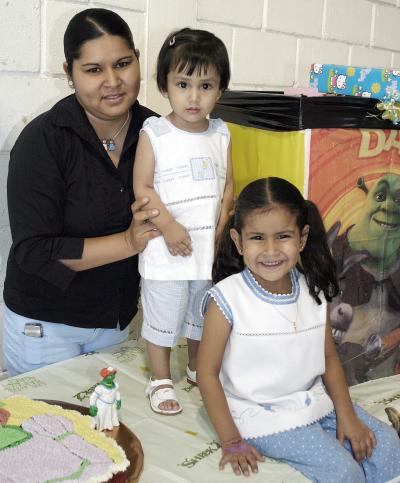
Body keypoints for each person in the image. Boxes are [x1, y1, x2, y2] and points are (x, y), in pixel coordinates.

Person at [197, 177, 400, 482]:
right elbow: (207, 374)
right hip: (261, 416)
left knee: (387, 449)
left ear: (302, 238)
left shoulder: (311, 289)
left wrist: (347, 414)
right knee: (342, 472)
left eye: (282, 236)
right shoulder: (226, 299)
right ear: (238, 241)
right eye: (257, 238)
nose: (270, 250)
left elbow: (329, 359)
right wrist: (231, 440)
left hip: (315, 403)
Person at [3, 8, 160, 376]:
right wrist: (129, 241)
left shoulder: (159, 134)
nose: (112, 81)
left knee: (110, 427)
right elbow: (34, 251)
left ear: (138, 60)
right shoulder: (43, 141)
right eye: (93, 69)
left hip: (116, 321)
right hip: (45, 326)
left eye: (122, 63)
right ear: (69, 73)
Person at [133, 28, 233, 415]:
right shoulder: (155, 133)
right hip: (166, 250)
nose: (194, 96)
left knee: (199, 315)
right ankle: (160, 379)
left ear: (220, 89)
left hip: (205, 254)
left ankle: (196, 368)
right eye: (183, 83)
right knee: (162, 316)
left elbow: (228, 185)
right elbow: (143, 188)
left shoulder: (221, 133)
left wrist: (226, 217)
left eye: (205, 85)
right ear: (164, 85)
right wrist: (170, 227)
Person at [89, 366, 121, 431]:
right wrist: (92, 406)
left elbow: (116, 392)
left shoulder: (115, 385)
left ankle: (109, 425)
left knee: (111, 415)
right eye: (110, 376)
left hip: (111, 405)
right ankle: (100, 427)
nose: (112, 377)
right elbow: (93, 396)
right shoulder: (100, 388)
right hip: (102, 406)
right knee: (102, 416)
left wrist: (118, 400)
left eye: (113, 375)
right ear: (105, 376)